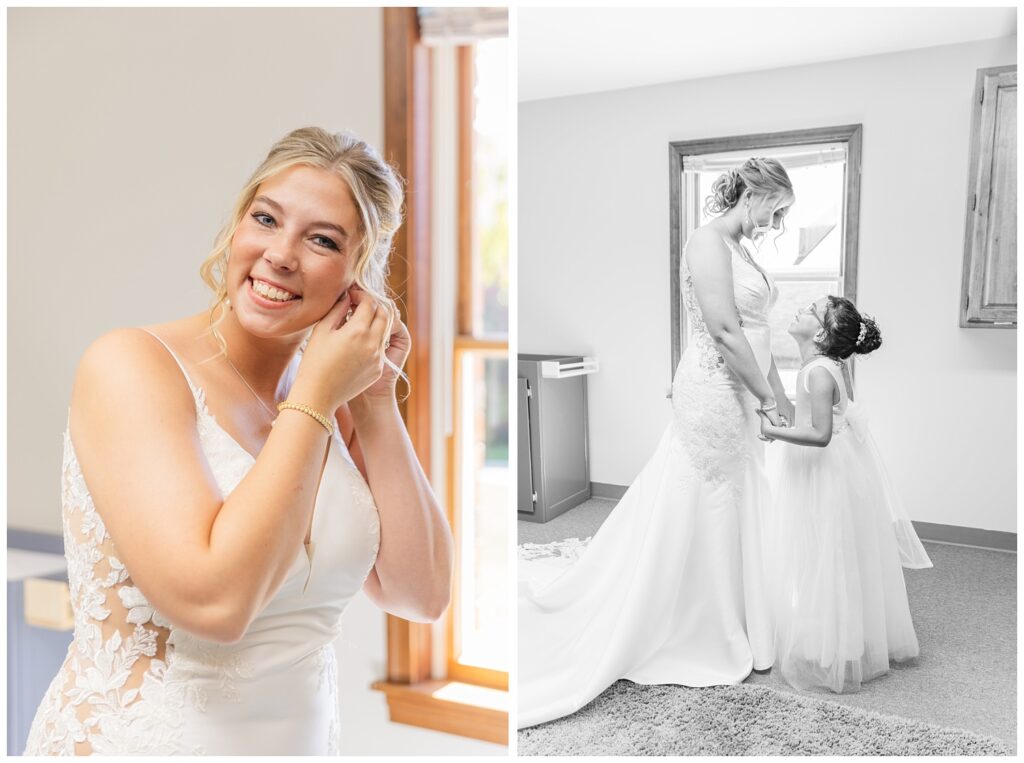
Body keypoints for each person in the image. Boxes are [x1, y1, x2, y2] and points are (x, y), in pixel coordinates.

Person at [24, 127, 454, 755]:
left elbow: (423, 593)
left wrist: (376, 396)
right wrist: (313, 399)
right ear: (237, 225)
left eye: (322, 240)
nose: (281, 254)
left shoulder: (338, 395)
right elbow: (217, 605)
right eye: (266, 218)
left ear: (359, 278)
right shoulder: (131, 367)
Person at [518, 158, 795, 728]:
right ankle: (696, 620)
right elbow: (722, 329)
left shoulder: (743, 248)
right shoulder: (706, 239)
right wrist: (769, 397)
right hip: (718, 386)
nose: (779, 219)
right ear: (756, 192)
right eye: (778, 206)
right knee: (706, 492)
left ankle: (738, 615)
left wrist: (775, 390)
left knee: (735, 491)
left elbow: (758, 331)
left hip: (744, 386)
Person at [757, 296, 932, 693]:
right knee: (832, 552)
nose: (801, 308)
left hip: (823, 472)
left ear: (818, 333)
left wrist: (772, 432)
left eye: (810, 309)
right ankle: (841, 635)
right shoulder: (830, 365)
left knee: (822, 552)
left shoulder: (816, 372)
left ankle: (830, 644)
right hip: (839, 468)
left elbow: (819, 435)